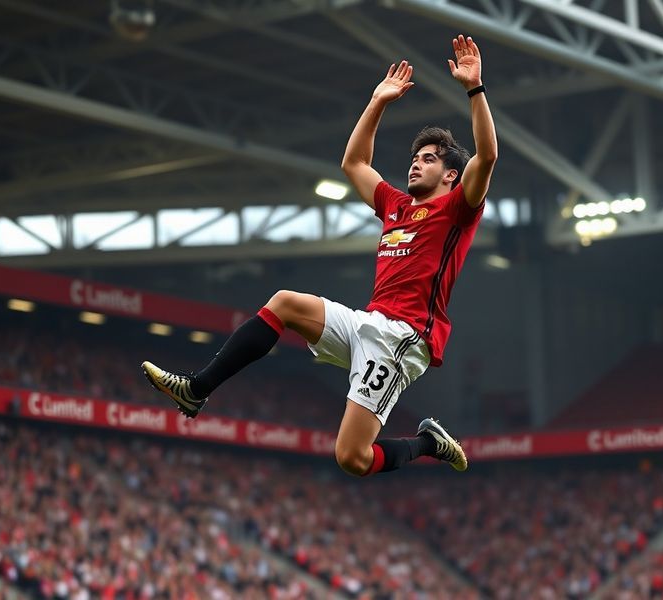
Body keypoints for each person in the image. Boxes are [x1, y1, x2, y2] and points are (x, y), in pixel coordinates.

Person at [142, 34, 498, 476]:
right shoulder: (397, 206)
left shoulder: (458, 208)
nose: (415, 163)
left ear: (451, 176)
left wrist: (474, 89)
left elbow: (488, 155)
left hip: (402, 338)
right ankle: (197, 389)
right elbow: (354, 163)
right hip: (368, 321)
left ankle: (429, 443)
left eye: (427, 159)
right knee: (284, 302)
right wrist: (377, 102)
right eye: (414, 157)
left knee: (351, 458)